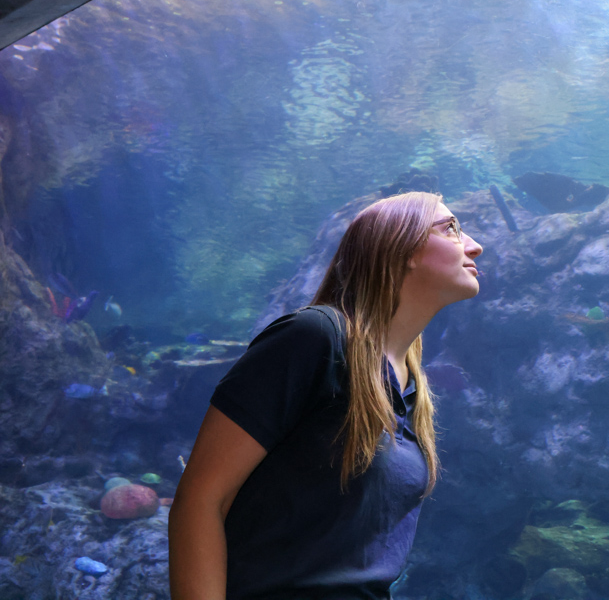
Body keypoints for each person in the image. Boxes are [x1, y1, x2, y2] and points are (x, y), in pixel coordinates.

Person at [169, 192, 482, 600]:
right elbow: (201, 499)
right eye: (452, 229)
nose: (475, 245)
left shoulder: (412, 390)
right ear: (401, 247)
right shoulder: (316, 338)